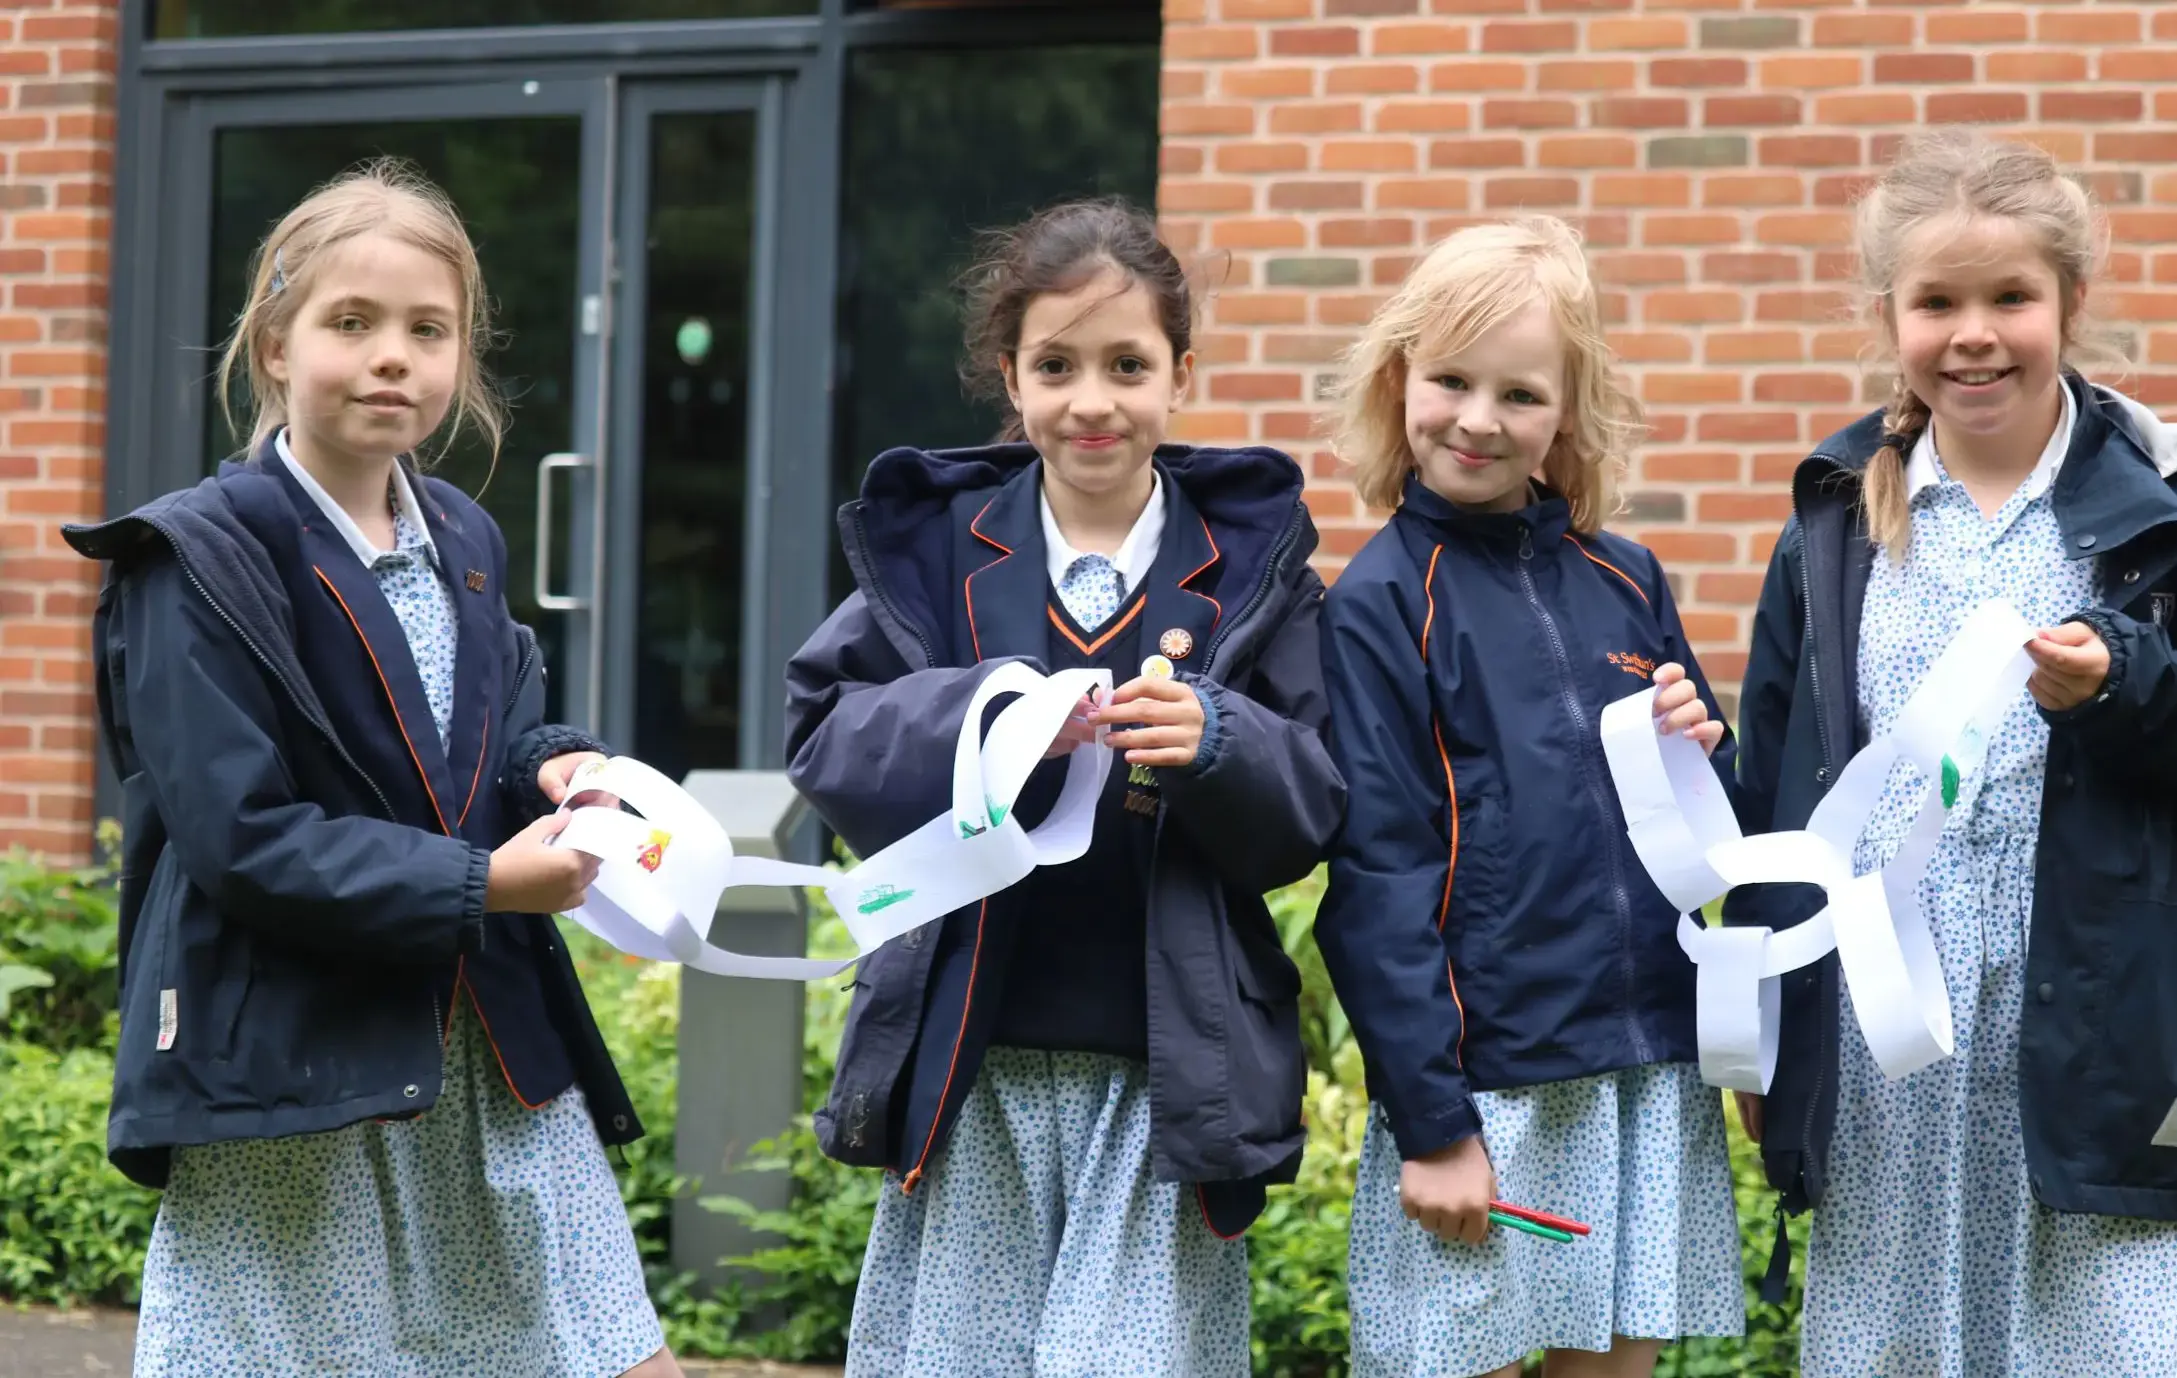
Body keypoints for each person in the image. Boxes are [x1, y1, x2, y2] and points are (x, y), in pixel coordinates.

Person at [1724, 128, 2177, 1375]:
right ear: (1887, 314)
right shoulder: (1833, 522)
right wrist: (1767, 1030)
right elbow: (1780, 789)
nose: (1974, 335)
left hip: (2107, 1038)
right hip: (1888, 1055)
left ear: (2068, 303)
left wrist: (2128, 680)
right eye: (1936, 301)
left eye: (2010, 297)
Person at [62, 159, 679, 1376]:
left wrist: (565, 771)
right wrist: (481, 886)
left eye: (426, 329)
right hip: (293, 1075)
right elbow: (239, 836)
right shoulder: (190, 559)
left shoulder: (464, 533)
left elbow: (498, 737)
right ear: (274, 346)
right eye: (352, 323)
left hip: (482, 1052)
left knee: (616, 1356)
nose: (391, 355)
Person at [784, 197, 1344, 1377]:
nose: (1092, 400)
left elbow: (1314, 804)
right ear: (1011, 377)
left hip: (1167, 1076)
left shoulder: (1254, 571)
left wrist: (1217, 738)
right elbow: (827, 739)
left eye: (1127, 364)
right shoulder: (942, 549)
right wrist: (989, 717)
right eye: (1056, 365)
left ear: (1180, 376)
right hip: (967, 1061)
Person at [1313, 216, 1747, 1378]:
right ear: (1399, 377)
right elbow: (1377, 885)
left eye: (1518, 393)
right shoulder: (1375, 604)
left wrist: (1709, 747)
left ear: (1568, 409)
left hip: (1643, 1073)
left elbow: (1717, 837)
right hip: (1491, 1087)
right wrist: (1435, 1126)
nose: (1476, 419)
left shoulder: (1628, 578)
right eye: (1450, 380)